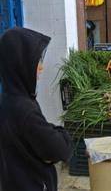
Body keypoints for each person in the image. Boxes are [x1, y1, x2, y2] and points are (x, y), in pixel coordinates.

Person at [0, 28, 73, 191]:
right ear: (20, 64)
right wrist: (61, 134)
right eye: (35, 61)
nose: (41, 67)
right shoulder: (24, 110)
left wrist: (50, 136)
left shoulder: (9, 100)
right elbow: (60, 150)